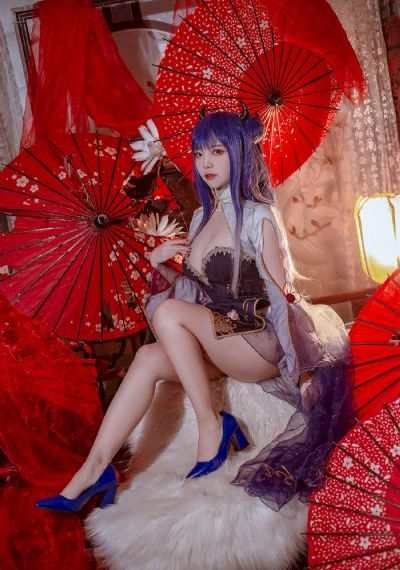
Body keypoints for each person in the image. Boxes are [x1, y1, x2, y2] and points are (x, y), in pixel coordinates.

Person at [36, 109, 353, 513]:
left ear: (239, 152)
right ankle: (94, 470)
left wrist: (303, 371)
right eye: (199, 153)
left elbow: (281, 296)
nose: (205, 163)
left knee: (170, 315)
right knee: (147, 357)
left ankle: (212, 424)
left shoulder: (259, 216)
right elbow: (200, 295)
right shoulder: (203, 216)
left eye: (217, 152)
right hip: (221, 342)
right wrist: (161, 264)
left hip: (257, 345)